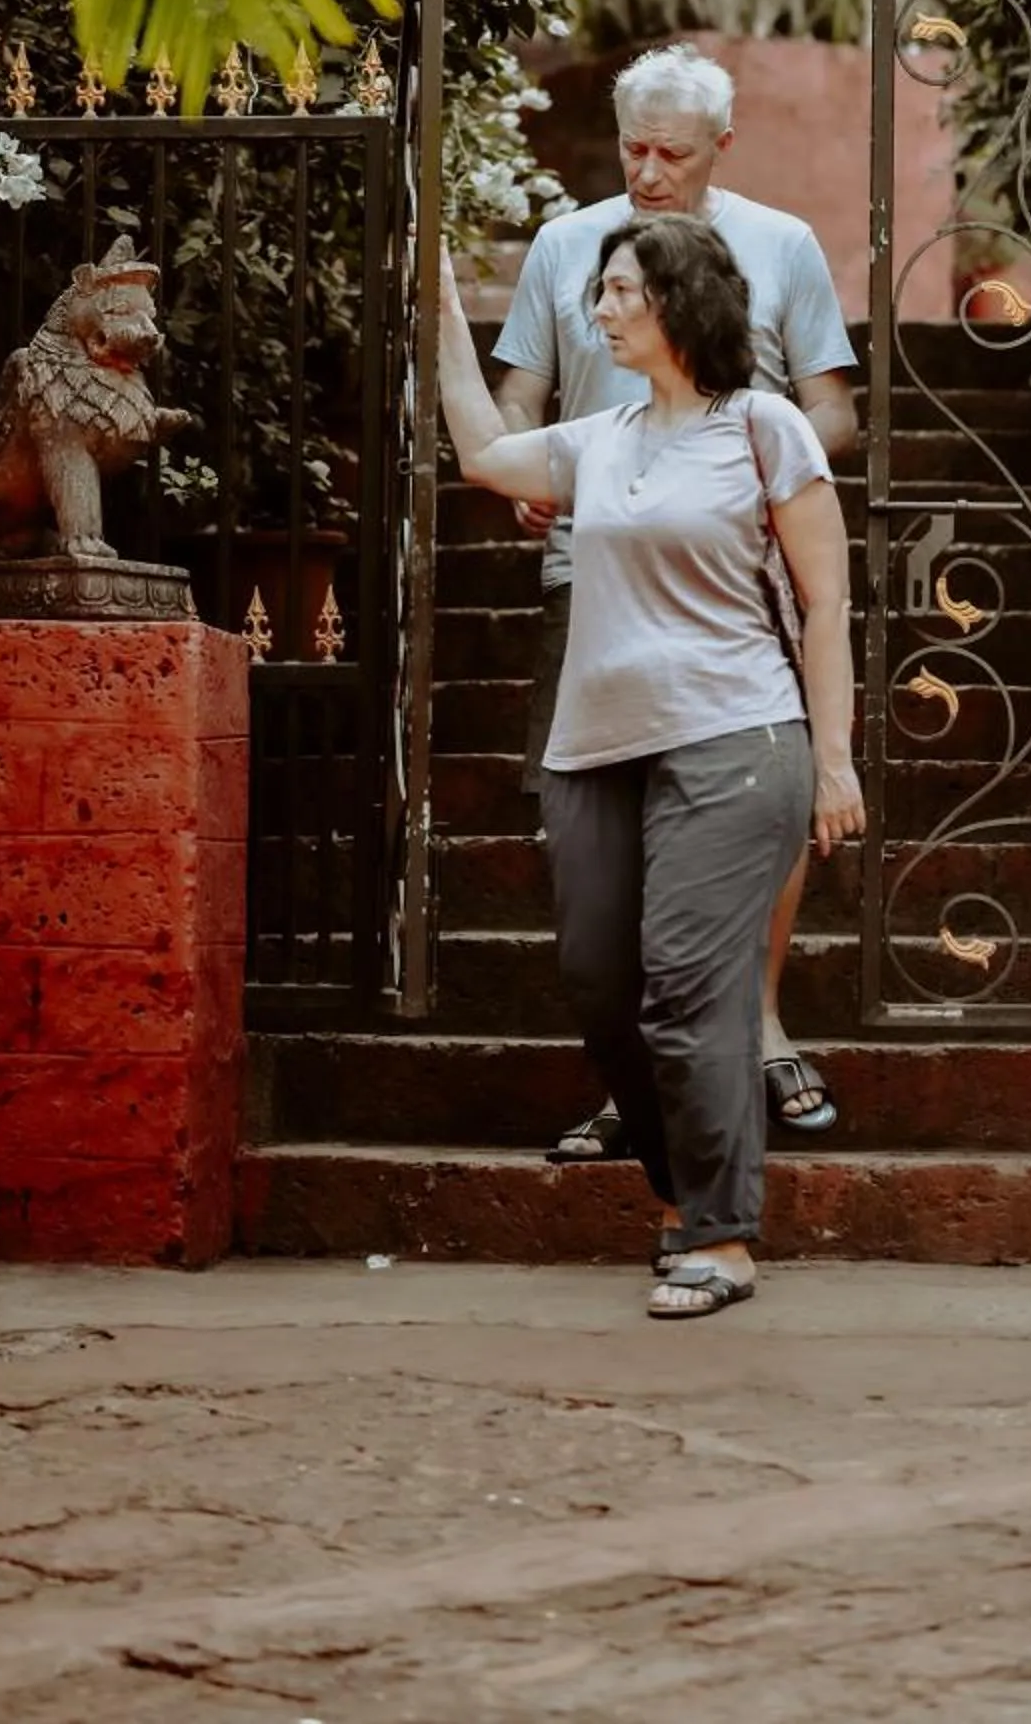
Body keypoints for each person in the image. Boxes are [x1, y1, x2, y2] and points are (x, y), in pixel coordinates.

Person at [436, 213, 866, 1318]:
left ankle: (720, 1237)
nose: (603, 308)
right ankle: (681, 1190)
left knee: (688, 982)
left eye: (623, 290)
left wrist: (833, 762)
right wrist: (432, 299)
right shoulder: (599, 439)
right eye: (603, 290)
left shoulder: (765, 427)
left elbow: (825, 606)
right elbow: (482, 453)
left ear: (681, 301)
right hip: (594, 747)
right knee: (599, 982)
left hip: (737, 737)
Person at [490, 42, 859, 1154]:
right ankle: (643, 1078)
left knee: (751, 801)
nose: (648, 173)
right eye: (632, 149)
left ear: (721, 147)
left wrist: (748, 465)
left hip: (734, 575)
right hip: (593, 569)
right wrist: (528, 467)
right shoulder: (567, 245)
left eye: (673, 153)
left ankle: (759, 1022)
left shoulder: (780, 244)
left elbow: (833, 412)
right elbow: (519, 395)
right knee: (612, 826)